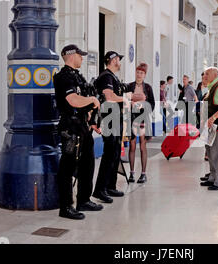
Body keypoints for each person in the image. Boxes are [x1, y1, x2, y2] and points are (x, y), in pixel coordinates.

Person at [53, 44, 103, 220]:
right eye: (80, 55)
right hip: (70, 127)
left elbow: (83, 100)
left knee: (87, 164)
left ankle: (83, 200)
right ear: (71, 55)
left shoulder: (77, 77)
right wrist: (91, 100)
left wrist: (91, 118)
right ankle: (66, 206)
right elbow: (73, 100)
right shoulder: (63, 77)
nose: (82, 58)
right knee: (67, 168)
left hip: (83, 126)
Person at [93, 51, 128, 204]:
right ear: (113, 60)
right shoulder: (106, 76)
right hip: (109, 118)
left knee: (114, 153)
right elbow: (109, 97)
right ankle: (100, 189)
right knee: (109, 155)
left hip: (115, 118)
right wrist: (127, 99)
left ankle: (110, 186)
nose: (120, 61)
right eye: (118, 59)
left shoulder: (112, 77)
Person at [127, 63, 155, 184]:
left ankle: (143, 174)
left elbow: (152, 104)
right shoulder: (129, 86)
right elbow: (124, 101)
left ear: (145, 75)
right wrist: (130, 104)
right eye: (138, 72)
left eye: (142, 73)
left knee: (143, 146)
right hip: (132, 118)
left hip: (143, 118)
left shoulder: (148, 88)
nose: (139, 74)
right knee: (132, 146)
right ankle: (132, 173)